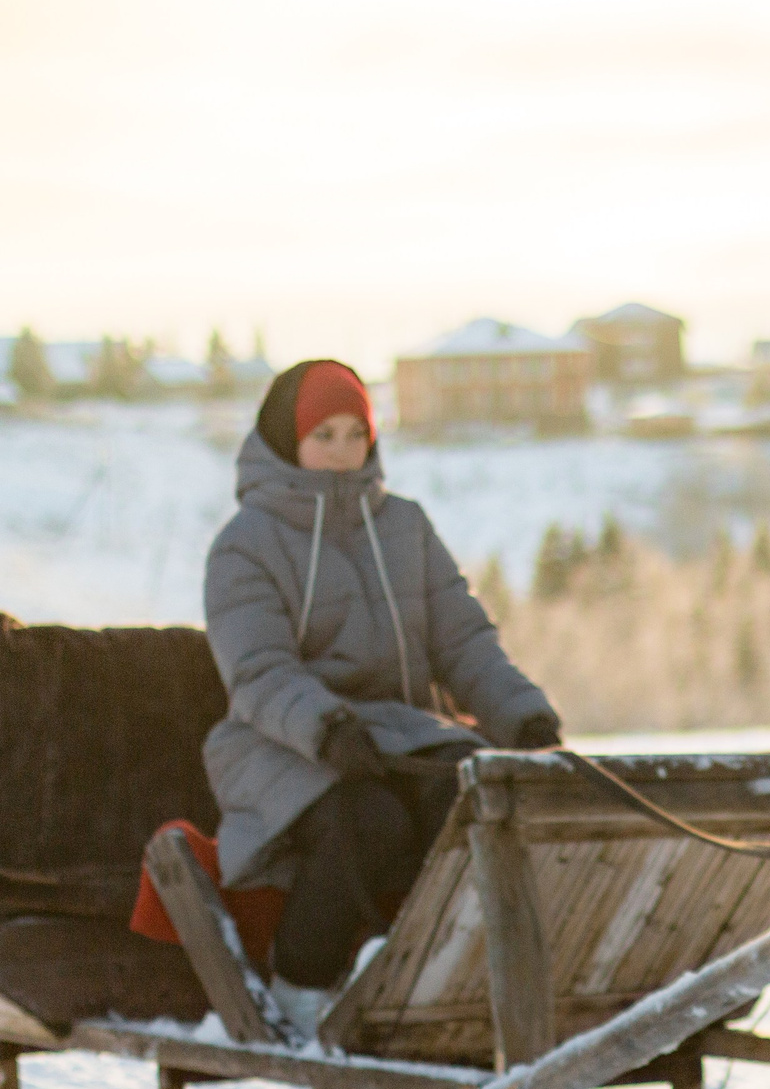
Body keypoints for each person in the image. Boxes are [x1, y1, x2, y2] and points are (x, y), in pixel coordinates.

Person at [202, 359, 559, 1024]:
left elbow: (463, 640)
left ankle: (442, 982)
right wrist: (326, 726)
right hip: (279, 741)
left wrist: (521, 716)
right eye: (323, 436)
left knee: (473, 796)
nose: (342, 453)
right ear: (285, 441)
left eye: (355, 434)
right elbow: (258, 669)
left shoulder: (404, 526)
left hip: (401, 731)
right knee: (367, 821)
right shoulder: (244, 545)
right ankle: (302, 990)